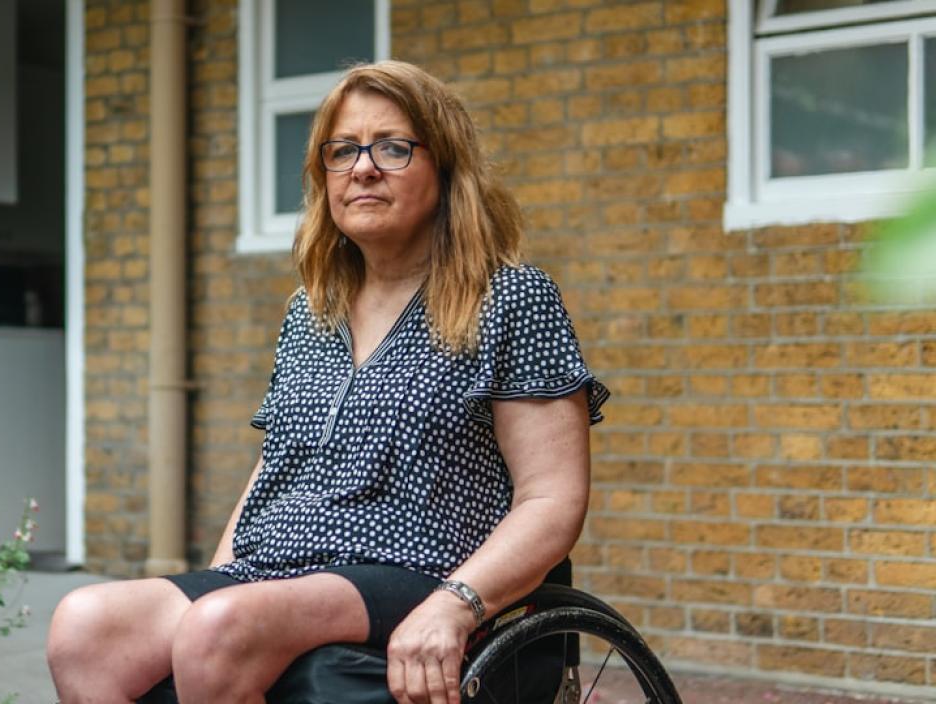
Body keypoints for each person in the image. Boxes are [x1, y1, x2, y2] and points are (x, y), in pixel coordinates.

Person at [46, 60, 609, 704]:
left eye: (392, 148)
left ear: (447, 169)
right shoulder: (311, 313)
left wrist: (455, 602)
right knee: (85, 628)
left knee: (218, 629)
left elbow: (551, 499)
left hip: (417, 565)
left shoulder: (509, 299)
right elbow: (276, 466)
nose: (362, 168)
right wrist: (225, 572)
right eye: (342, 151)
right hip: (280, 567)